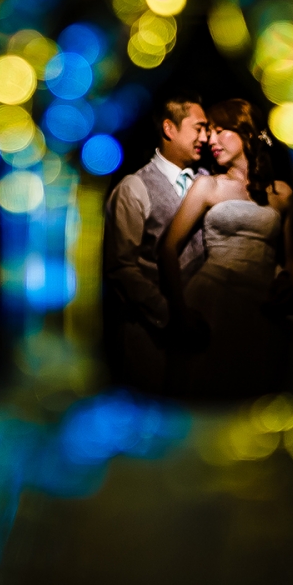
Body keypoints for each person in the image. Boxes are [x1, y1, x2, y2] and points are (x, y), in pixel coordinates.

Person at [158, 98, 293, 398]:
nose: (211, 140)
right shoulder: (208, 187)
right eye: (209, 132)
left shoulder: (282, 193)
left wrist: (285, 280)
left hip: (262, 308)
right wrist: (180, 311)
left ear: (245, 133)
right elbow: (167, 248)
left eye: (221, 131)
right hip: (211, 299)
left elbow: (289, 264)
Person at [102, 92, 210, 393]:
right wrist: (171, 315)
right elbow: (121, 268)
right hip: (151, 336)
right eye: (198, 127)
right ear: (169, 128)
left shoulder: (209, 182)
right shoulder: (133, 187)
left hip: (206, 333)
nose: (206, 136)